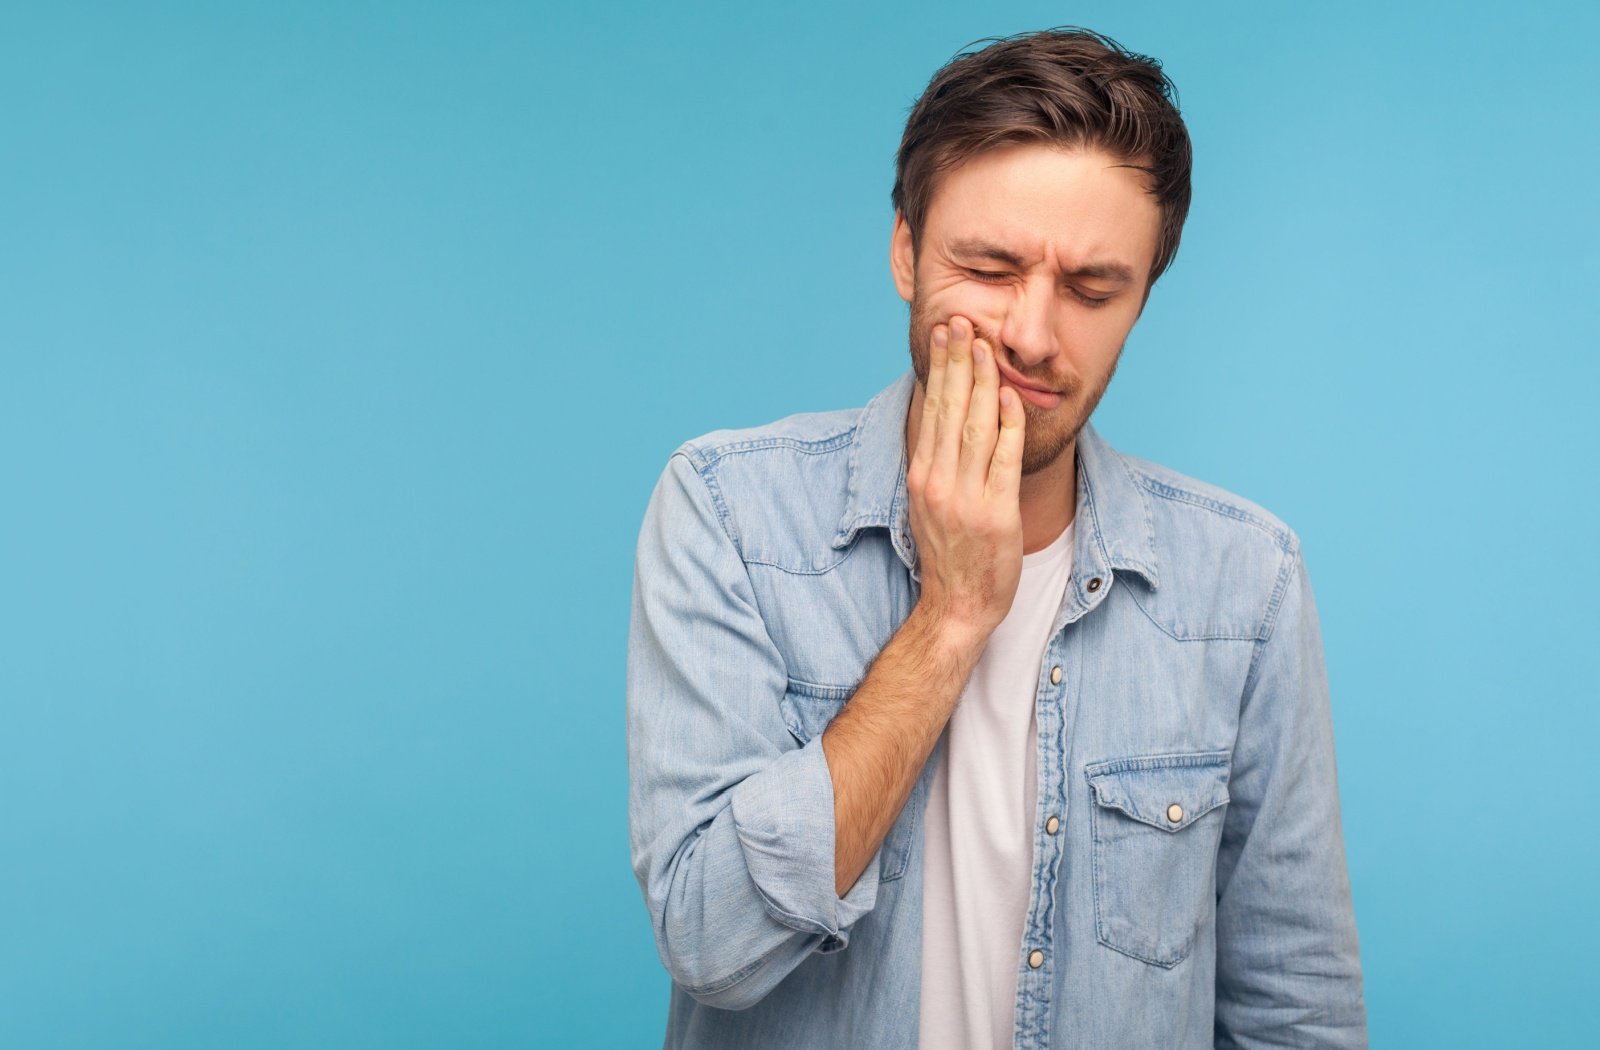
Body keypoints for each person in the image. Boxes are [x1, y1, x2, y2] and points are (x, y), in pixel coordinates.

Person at [626, 26, 1367, 1050]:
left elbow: (1296, 1008)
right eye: (987, 266)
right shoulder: (726, 511)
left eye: (1092, 288)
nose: (1030, 332)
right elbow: (713, 939)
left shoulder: (1245, 584)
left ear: (1143, 297)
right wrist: (953, 616)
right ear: (903, 252)